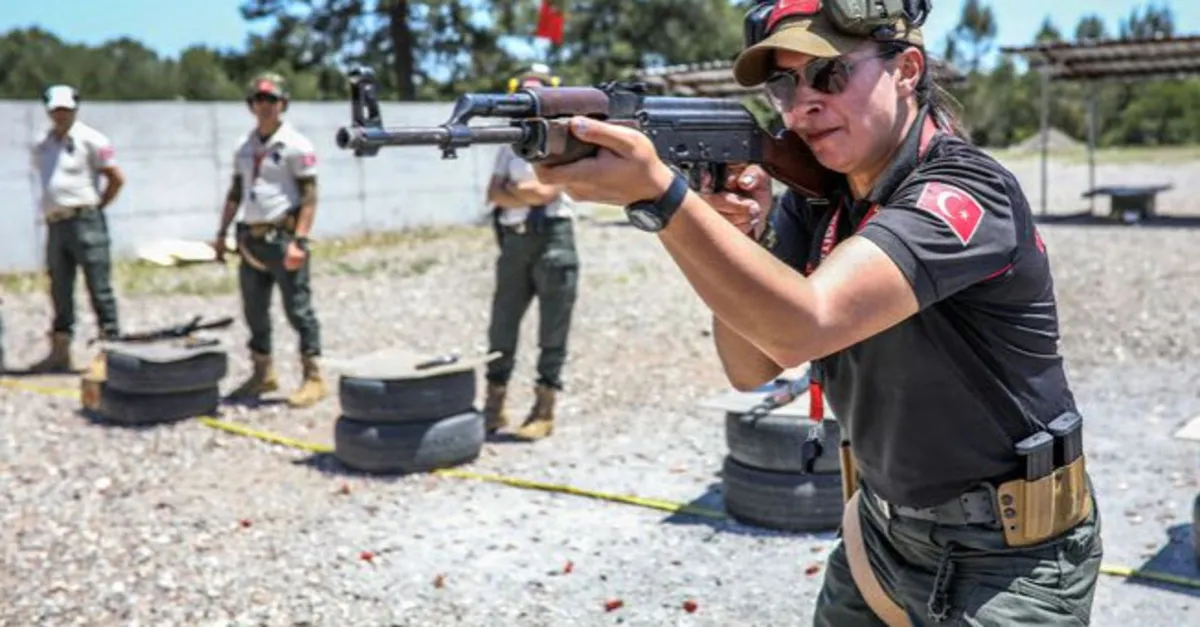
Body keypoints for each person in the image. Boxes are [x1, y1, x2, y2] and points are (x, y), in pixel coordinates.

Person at [531, 2, 1102, 626]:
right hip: (881, 535)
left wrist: (661, 198)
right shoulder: (822, 199)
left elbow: (806, 324)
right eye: (784, 86)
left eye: (830, 74)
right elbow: (750, 365)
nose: (803, 104)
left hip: (1009, 558)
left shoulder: (965, 191)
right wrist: (740, 236)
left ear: (907, 70)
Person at [214, 72, 326, 408]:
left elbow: (309, 197)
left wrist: (300, 240)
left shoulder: (296, 145)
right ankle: (263, 372)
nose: (265, 106)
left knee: (298, 309)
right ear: (251, 105)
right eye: (259, 100)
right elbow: (236, 191)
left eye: (271, 100)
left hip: (283, 237)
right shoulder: (244, 146)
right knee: (254, 311)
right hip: (251, 239)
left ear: (283, 104)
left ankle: (313, 375)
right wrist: (221, 233)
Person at [481, 63, 580, 441]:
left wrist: (517, 191)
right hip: (515, 240)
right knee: (502, 324)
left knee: (553, 327)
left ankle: (544, 406)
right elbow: (493, 193)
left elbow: (548, 192)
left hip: (553, 237)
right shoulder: (508, 144)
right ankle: (494, 404)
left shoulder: (565, 140)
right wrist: (524, 191)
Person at [28, 84, 125, 372]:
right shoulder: (42, 144)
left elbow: (115, 177)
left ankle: (111, 349)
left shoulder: (91, 139)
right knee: (59, 286)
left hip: (84, 218)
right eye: (56, 110)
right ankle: (61, 350)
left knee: (98, 285)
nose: (61, 115)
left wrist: (98, 206)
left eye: (66, 110)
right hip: (56, 222)